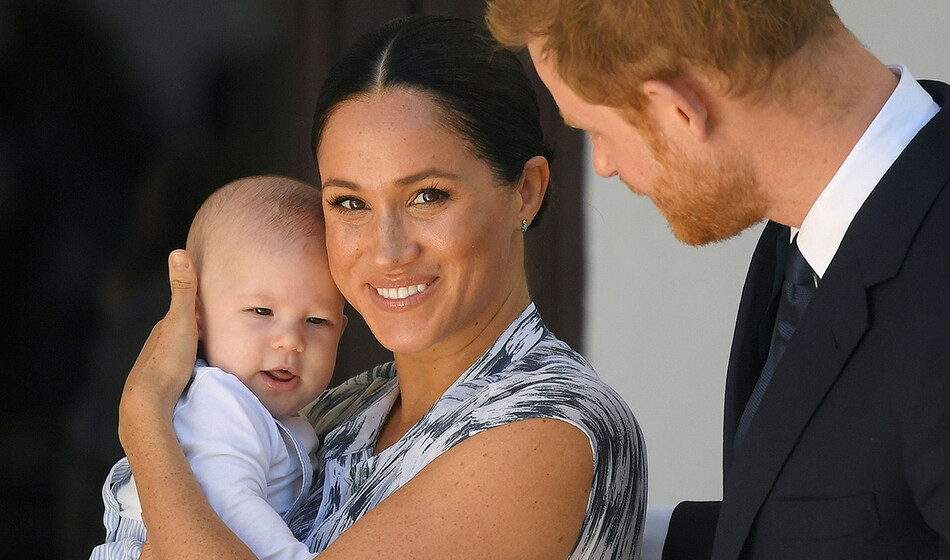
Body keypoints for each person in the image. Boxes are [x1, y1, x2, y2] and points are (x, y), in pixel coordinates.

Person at [114, 15, 646, 560]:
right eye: (351, 203)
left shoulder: (546, 426)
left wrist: (144, 416)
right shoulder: (344, 409)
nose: (388, 252)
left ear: (526, 192)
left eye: (428, 196)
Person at [486, 0, 950, 558]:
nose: (603, 164)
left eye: (595, 130)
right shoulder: (810, 231)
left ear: (679, 111)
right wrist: (581, 531)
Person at [91, 175, 347, 560]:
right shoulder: (220, 404)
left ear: (341, 331)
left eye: (317, 321)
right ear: (197, 315)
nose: (290, 340)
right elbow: (231, 508)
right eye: (262, 311)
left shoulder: (274, 412)